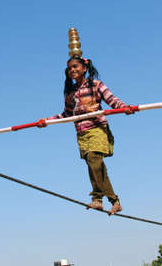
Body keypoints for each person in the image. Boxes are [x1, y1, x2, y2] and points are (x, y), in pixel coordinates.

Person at [38, 53, 133, 216]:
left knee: (94, 161)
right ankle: (114, 201)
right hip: (82, 134)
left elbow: (112, 100)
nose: (72, 70)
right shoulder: (70, 93)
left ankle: (97, 198)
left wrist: (124, 107)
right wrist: (47, 120)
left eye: (75, 67)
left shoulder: (95, 85)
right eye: (69, 69)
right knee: (95, 166)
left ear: (84, 68)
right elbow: (67, 115)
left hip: (97, 129)